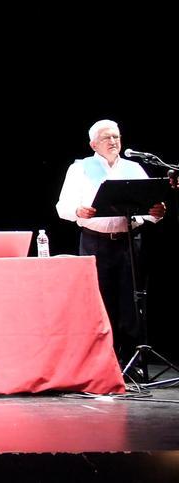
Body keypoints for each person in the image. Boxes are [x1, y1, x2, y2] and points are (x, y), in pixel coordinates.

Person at [56, 119, 166, 358]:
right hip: (96, 242)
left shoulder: (133, 168)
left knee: (132, 301)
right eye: (107, 137)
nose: (113, 141)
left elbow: (148, 208)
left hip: (129, 243)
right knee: (100, 301)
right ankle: (104, 359)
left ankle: (132, 360)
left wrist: (156, 213)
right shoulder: (80, 168)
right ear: (93, 144)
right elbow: (63, 207)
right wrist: (78, 211)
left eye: (116, 136)